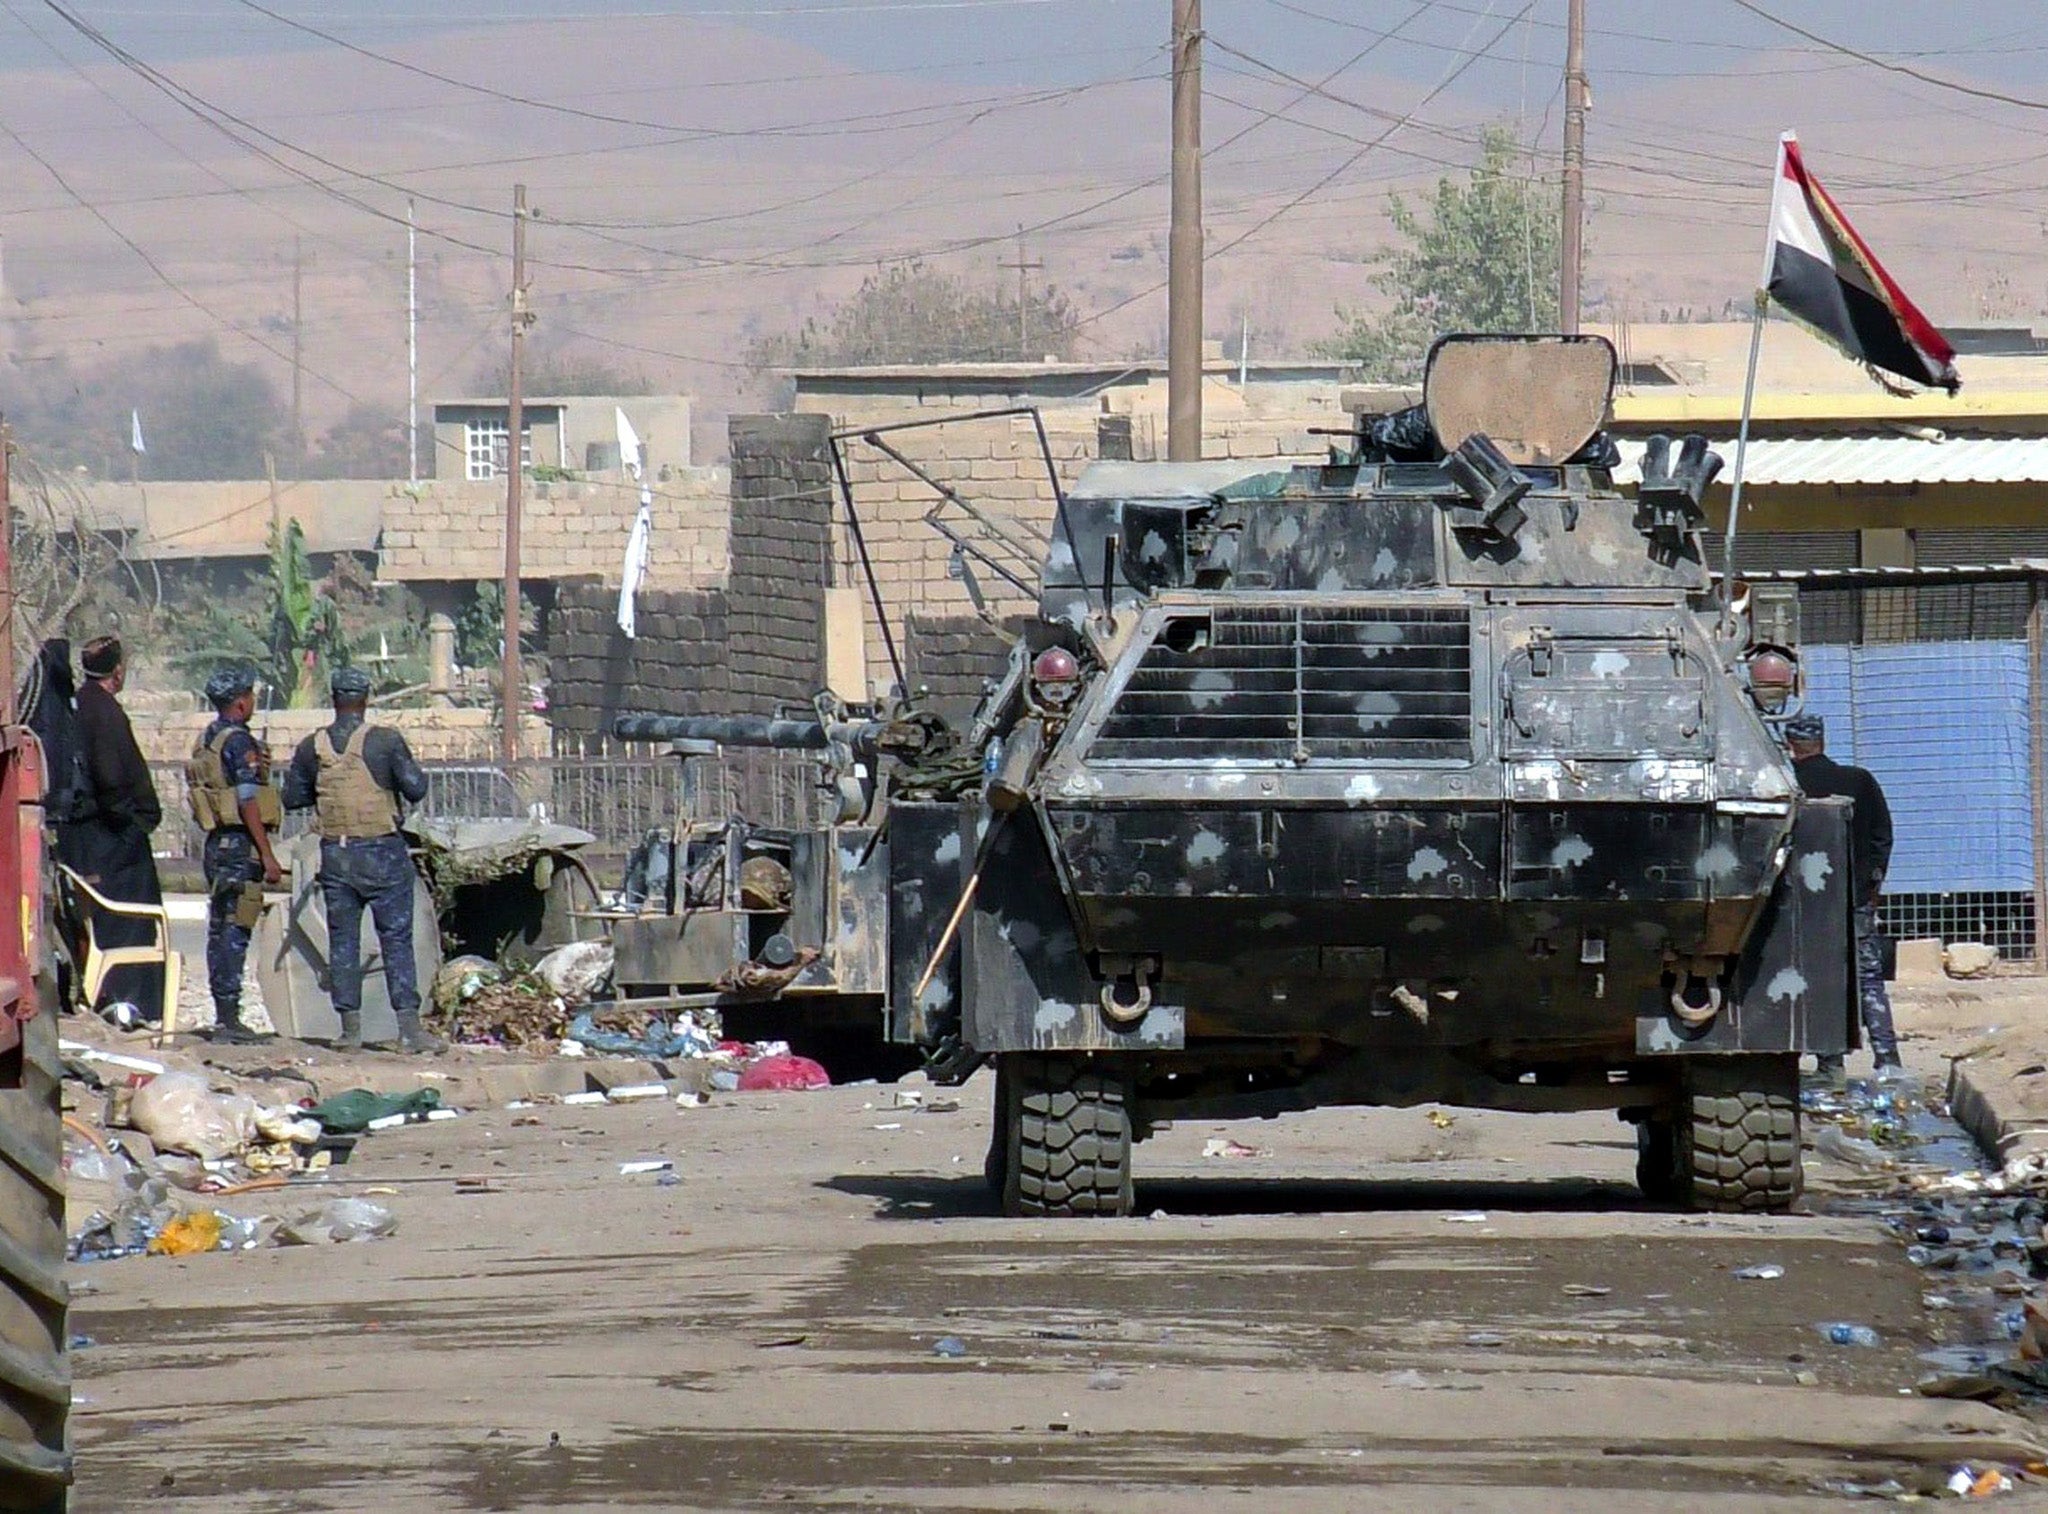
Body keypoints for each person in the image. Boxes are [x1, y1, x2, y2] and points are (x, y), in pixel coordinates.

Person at [281, 667, 444, 1054]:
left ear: (334, 699)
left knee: (343, 941)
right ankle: (409, 1030)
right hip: (382, 851)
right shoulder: (385, 742)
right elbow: (416, 788)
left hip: (336, 854)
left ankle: (349, 1031)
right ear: (366, 699)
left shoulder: (312, 747)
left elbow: (293, 798)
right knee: (396, 940)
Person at [1785, 711, 1900, 1078]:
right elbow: (1882, 836)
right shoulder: (1859, 781)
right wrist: (1872, 885)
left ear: (1790, 746)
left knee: (1817, 976)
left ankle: (1830, 1061)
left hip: (1805, 906)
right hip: (1855, 899)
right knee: (1868, 978)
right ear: (1822, 741)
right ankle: (1888, 1059)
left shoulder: (1786, 784)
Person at [66, 635, 166, 1024]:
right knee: (128, 927)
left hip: (102, 840)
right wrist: (130, 822)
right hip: (111, 845)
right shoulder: (102, 713)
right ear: (117, 670)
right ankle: (127, 1006)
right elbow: (111, 779)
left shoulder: (85, 706)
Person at [186, 668, 284, 1044]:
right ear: (241, 701)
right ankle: (229, 1017)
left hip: (216, 844)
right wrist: (267, 854)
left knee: (220, 927)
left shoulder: (207, 739)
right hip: (240, 844)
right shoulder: (238, 741)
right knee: (235, 926)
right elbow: (246, 801)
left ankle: (224, 1011)